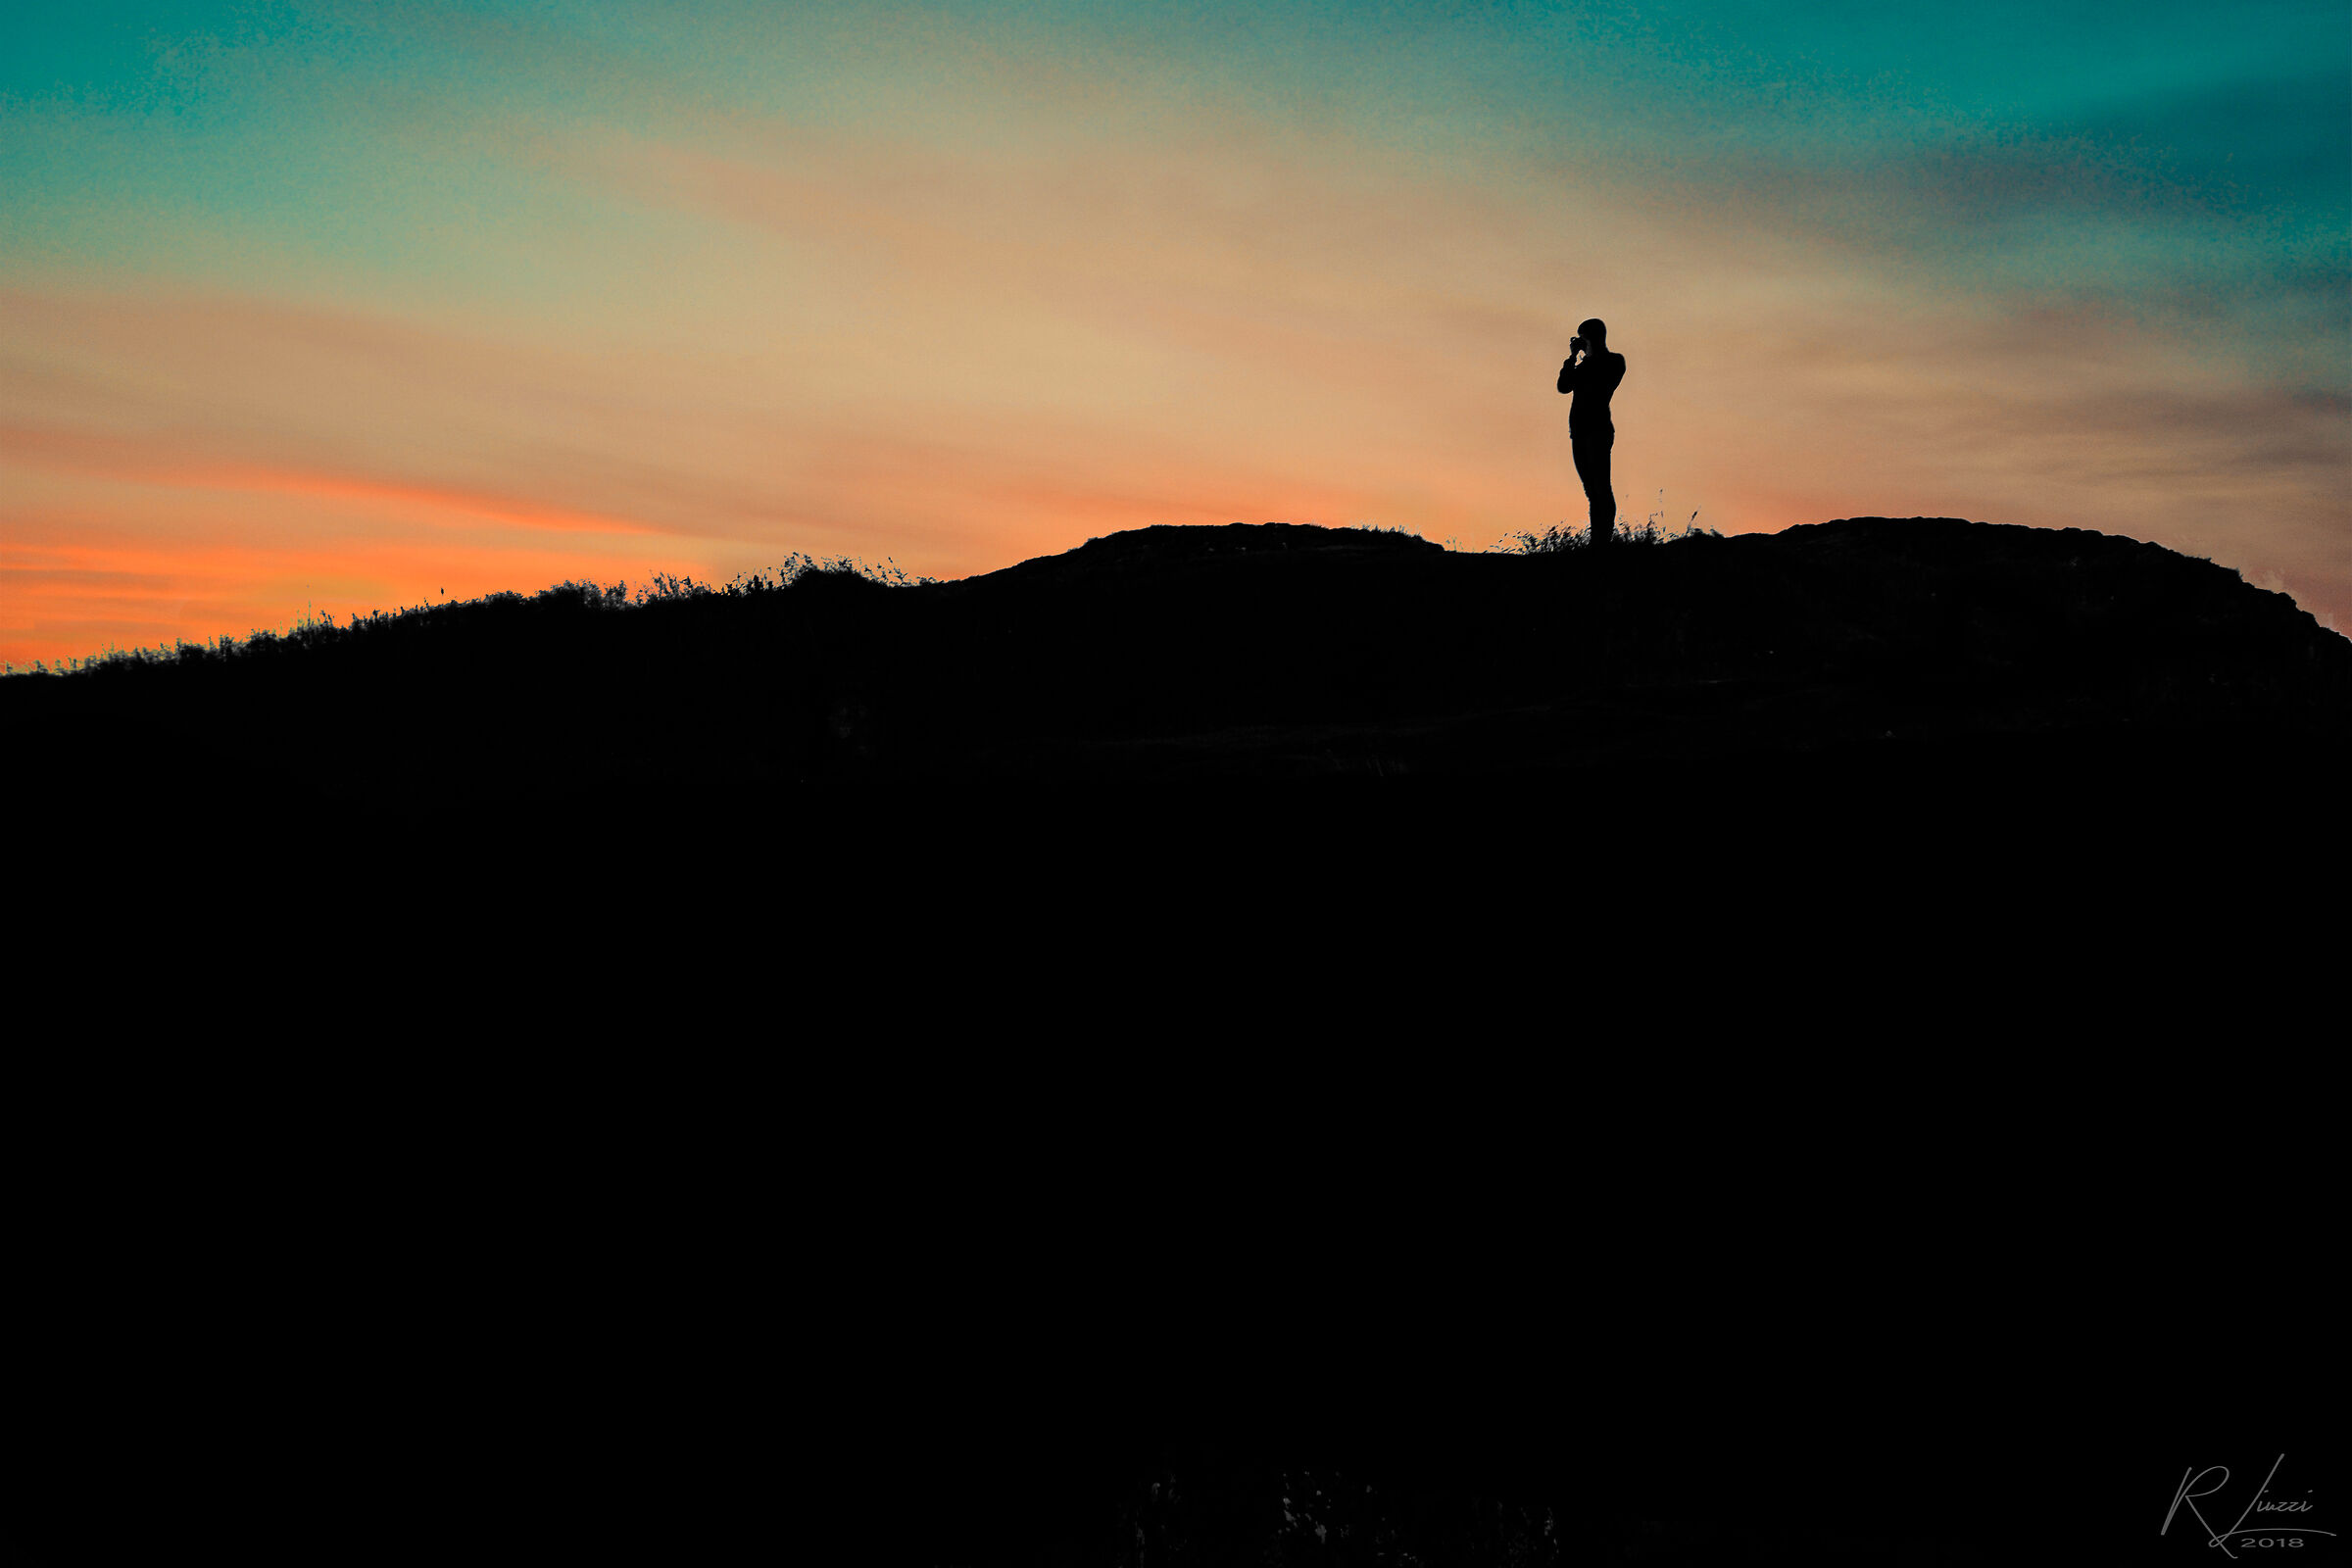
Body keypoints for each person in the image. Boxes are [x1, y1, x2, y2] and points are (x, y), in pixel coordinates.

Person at [1556, 319, 1626, 544]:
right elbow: (1563, 387)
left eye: (1583, 336)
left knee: (1601, 488)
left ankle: (1601, 542)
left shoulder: (1613, 361)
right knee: (1592, 490)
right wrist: (1572, 358)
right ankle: (1598, 541)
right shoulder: (1583, 365)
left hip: (1597, 431)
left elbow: (1595, 377)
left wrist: (1582, 356)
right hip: (1578, 432)